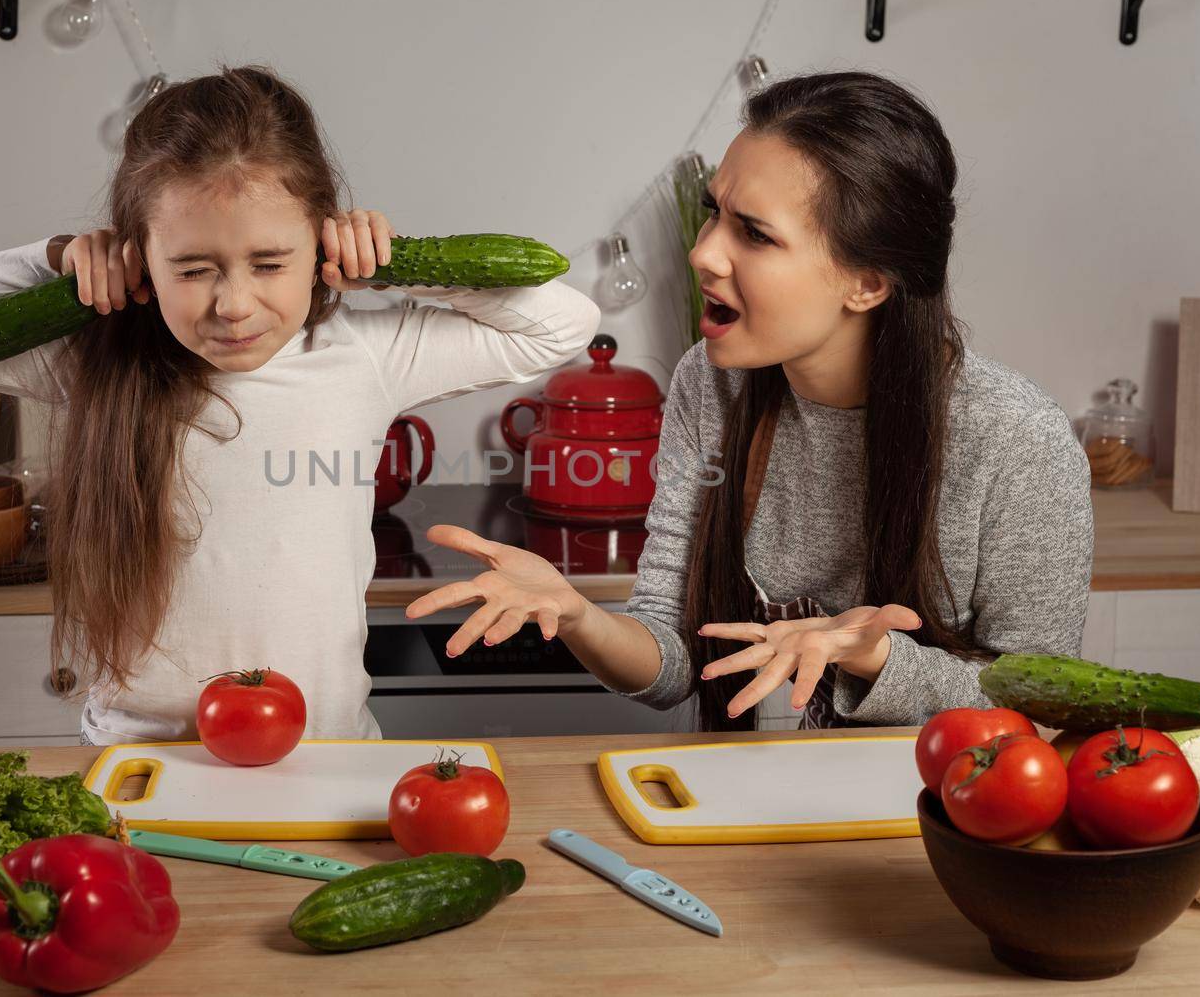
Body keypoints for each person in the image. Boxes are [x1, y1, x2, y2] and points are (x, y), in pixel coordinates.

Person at [0, 66, 600, 744]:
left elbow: (565, 322)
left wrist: (397, 260)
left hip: (324, 747)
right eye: (193, 268)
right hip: (142, 751)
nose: (233, 303)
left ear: (321, 245)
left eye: (270, 263)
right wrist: (58, 260)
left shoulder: (362, 352)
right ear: (140, 260)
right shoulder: (93, 355)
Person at [404, 71, 1092, 729]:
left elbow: (1040, 707)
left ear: (868, 284)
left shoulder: (1015, 438)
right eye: (714, 215)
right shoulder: (710, 382)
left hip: (934, 818)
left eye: (755, 234)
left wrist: (881, 659)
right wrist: (579, 614)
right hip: (752, 801)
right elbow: (674, 659)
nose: (705, 253)